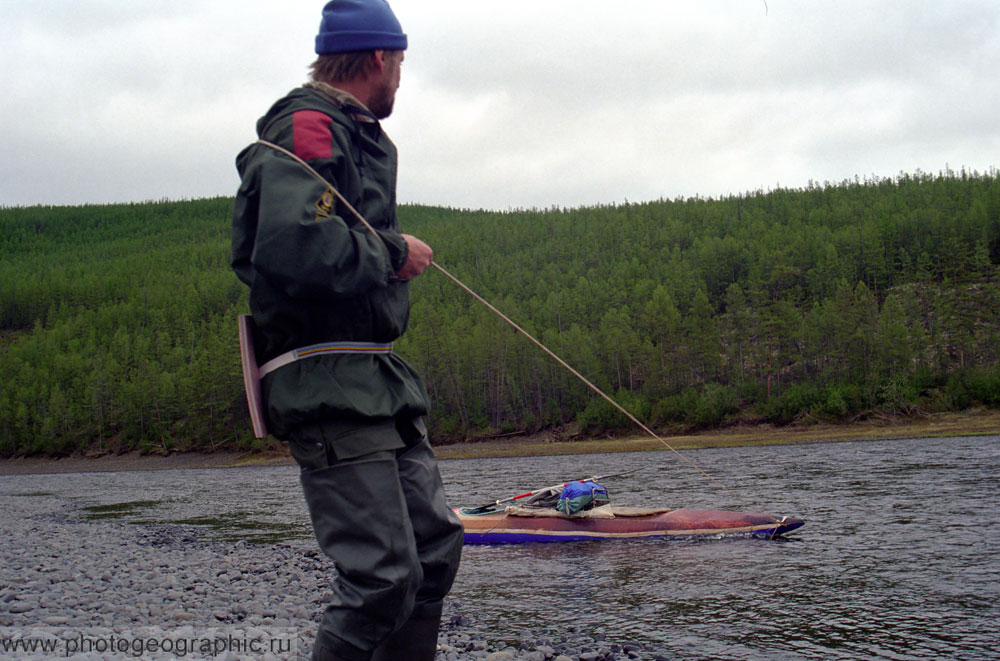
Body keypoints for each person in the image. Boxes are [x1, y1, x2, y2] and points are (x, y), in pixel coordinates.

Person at [230, 2, 463, 659]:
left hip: (374, 379)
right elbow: (291, 243)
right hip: (325, 379)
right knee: (382, 578)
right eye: (400, 64)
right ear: (381, 58)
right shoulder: (306, 123)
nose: (400, 79)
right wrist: (392, 253)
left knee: (435, 549)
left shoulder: (348, 131)